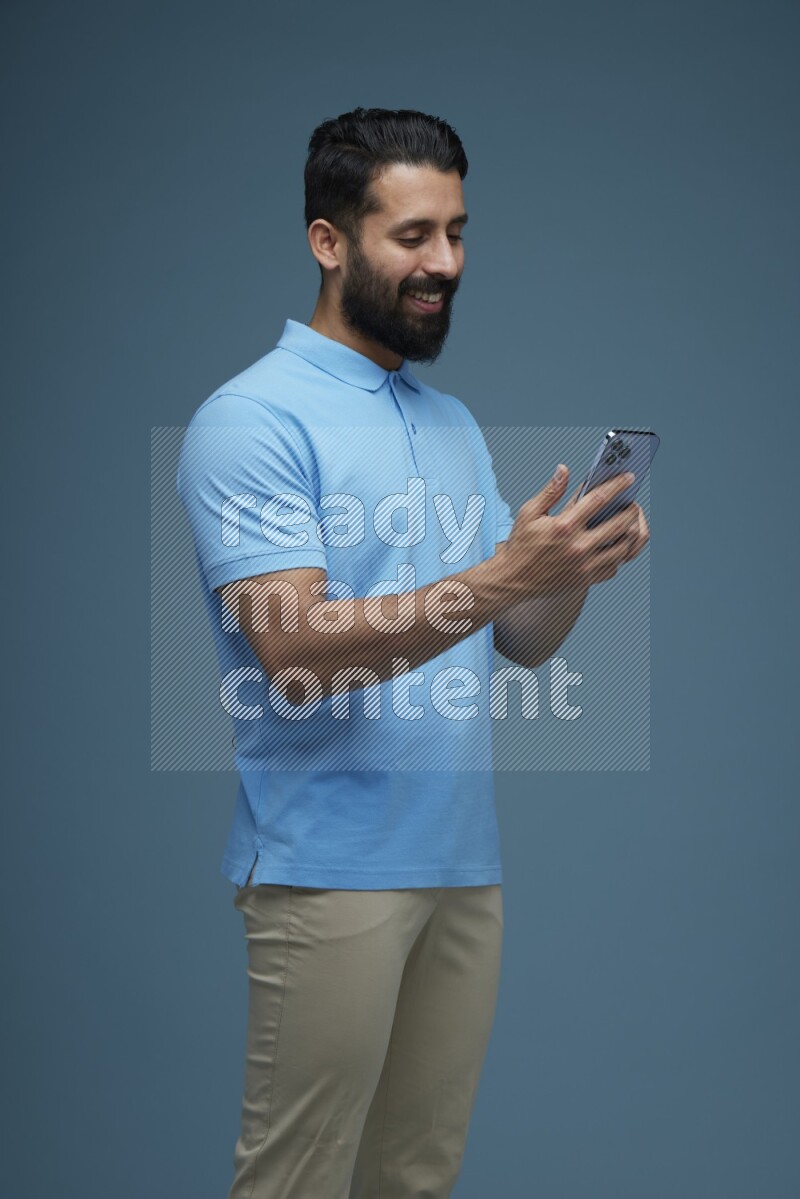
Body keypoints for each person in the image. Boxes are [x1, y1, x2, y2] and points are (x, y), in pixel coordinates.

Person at [177, 106, 649, 1199]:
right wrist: (496, 576)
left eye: (457, 231)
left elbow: (519, 642)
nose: (445, 263)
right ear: (327, 241)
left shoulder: (445, 419)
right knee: (294, 1182)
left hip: (459, 865)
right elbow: (292, 650)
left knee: (414, 1178)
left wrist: (568, 564)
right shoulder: (252, 420)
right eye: (412, 235)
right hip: (324, 869)